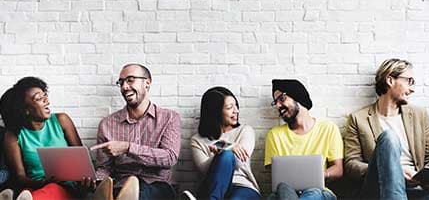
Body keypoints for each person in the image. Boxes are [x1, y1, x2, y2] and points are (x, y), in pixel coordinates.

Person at [344, 58, 429, 200]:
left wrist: (428, 178)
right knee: (389, 138)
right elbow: (351, 164)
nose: (412, 89)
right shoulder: (358, 118)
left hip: (416, 189)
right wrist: (393, 169)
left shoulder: (419, 115)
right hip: (378, 190)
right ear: (390, 80)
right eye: (409, 81)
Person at [92, 63, 181, 200]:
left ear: (147, 83)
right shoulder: (107, 124)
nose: (124, 87)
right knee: (110, 190)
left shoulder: (169, 118)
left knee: (142, 193)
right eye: (121, 82)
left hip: (157, 184)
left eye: (130, 80)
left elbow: (169, 158)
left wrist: (128, 148)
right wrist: (96, 180)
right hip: (120, 185)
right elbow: (104, 167)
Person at [0, 77, 94, 200]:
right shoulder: (13, 135)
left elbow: (83, 163)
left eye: (45, 95)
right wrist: (44, 182)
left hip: (66, 186)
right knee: (26, 191)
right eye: (39, 98)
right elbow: (20, 177)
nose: (47, 101)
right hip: (34, 185)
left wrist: (86, 180)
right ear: (25, 109)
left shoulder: (61, 120)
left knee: (51, 190)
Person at [265, 79, 343, 200]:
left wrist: (319, 175)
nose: (278, 106)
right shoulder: (274, 135)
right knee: (280, 192)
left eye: (281, 99)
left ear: (297, 97)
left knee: (313, 193)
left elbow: (338, 169)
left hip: (319, 192)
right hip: (286, 192)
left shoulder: (328, 129)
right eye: (275, 102)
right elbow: (277, 179)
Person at [190, 86, 260, 200]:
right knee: (225, 154)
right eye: (229, 107)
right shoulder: (197, 140)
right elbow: (204, 170)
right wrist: (220, 153)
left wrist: (224, 147)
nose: (236, 111)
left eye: (236, 106)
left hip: (241, 187)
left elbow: (240, 162)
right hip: (213, 186)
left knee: (226, 155)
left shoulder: (245, 131)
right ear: (216, 112)